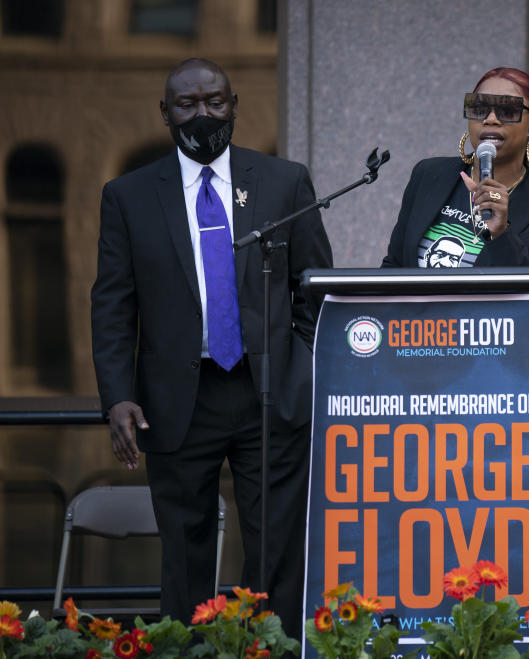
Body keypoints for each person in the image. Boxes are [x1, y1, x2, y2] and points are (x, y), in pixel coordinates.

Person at [90, 58, 332, 637]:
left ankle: (270, 649)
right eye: (187, 104)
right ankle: (186, 649)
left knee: (275, 546)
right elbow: (113, 305)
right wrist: (117, 396)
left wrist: (297, 364)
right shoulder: (127, 195)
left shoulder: (283, 181)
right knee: (185, 549)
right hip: (177, 397)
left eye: (215, 101)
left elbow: (315, 288)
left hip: (267, 393)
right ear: (165, 113)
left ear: (234, 103)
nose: (203, 114)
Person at [382, 67, 529, 300]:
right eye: (479, 108)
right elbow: (393, 267)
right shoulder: (428, 175)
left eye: (508, 111)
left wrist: (502, 235)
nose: (491, 119)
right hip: (416, 332)